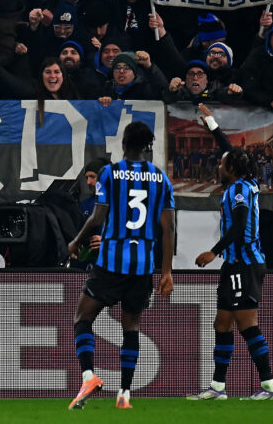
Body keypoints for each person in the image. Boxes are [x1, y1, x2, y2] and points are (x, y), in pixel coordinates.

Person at [66, 121, 175, 410]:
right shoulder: (161, 178)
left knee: (82, 318)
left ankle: (88, 376)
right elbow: (169, 228)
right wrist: (166, 271)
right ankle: (125, 393)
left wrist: (76, 241)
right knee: (132, 327)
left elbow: (98, 218)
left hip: (112, 261)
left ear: (124, 142)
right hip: (143, 266)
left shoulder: (111, 173)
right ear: (148, 146)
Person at [189, 105, 273, 401]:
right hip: (235, 265)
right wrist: (213, 124)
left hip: (245, 264)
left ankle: (268, 387)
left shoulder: (239, 190)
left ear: (231, 169)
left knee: (246, 323)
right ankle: (217, 388)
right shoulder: (243, 181)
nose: (218, 165)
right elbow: (229, 150)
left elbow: (239, 227)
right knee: (222, 323)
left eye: (222, 163)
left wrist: (213, 252)